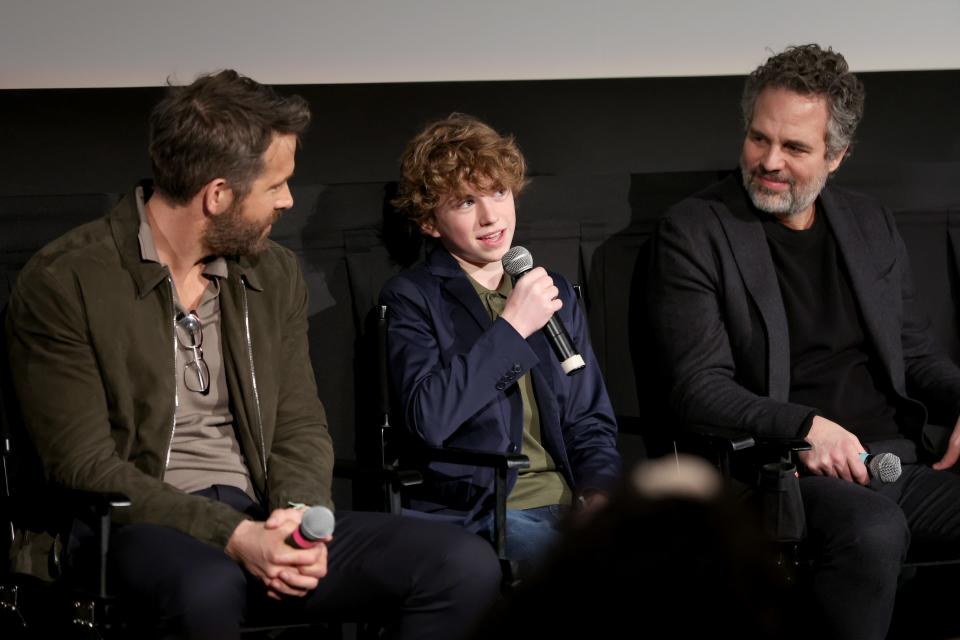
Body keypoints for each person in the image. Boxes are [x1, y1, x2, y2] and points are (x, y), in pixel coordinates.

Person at [4, 70, 500, 640]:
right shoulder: (66, 280)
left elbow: (299, 424)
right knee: (207, 587)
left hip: (259, 516)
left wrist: (301, 521)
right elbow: (83, 466)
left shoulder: (271, 273)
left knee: (459, 564)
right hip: (126, 529)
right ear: (217, 195)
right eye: (276, 186)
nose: (289, 200)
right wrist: (232, 537)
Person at [648, 44, 960, 639]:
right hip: (782, 476)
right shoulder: (695, 231)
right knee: (872, 530)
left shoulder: (870, 223)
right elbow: (696, 387)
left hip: (897, 463)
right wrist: (804, 427)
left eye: (794, 147)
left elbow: (916, 354)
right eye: (758, 138)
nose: (769, 161)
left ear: (836, 156)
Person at [379, 114, 621, 575]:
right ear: (430, 221)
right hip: (487, 511)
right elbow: (428, 418)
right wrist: (511, 330)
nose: (492, 216)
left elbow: (590, 419)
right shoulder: (413, 297)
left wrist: (599, 496)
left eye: (498, 193)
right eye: (466, 202)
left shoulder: (554, 292)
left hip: (571, 501)